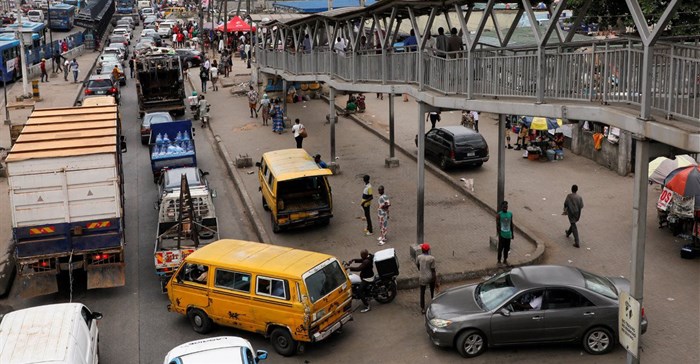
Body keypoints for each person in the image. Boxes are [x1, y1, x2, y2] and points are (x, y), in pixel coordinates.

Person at [416, 243, 436, 314]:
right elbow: (433, 270)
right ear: (428, 250)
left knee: (422, 293)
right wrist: (434, 279)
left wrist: (421, 270)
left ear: (422, 250)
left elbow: (417, 265)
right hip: (430, 277)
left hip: (422, 277)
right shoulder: (432, 258)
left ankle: (423, 308)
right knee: (432, 291)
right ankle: (433, 304)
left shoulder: (419, 257)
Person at [496, 200, 514, 266]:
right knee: (500, 248)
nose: (505, 208)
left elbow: (511, 224)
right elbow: (497, 225)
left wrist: (512, 234)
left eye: (506, 207)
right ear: (502, 207)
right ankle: (498, 260)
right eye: (504, 207)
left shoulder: (510, 214)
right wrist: (499, 233)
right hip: (502, 235)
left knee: (507, 248)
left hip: (508, 234)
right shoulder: (499, 215)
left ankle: (505, 260)